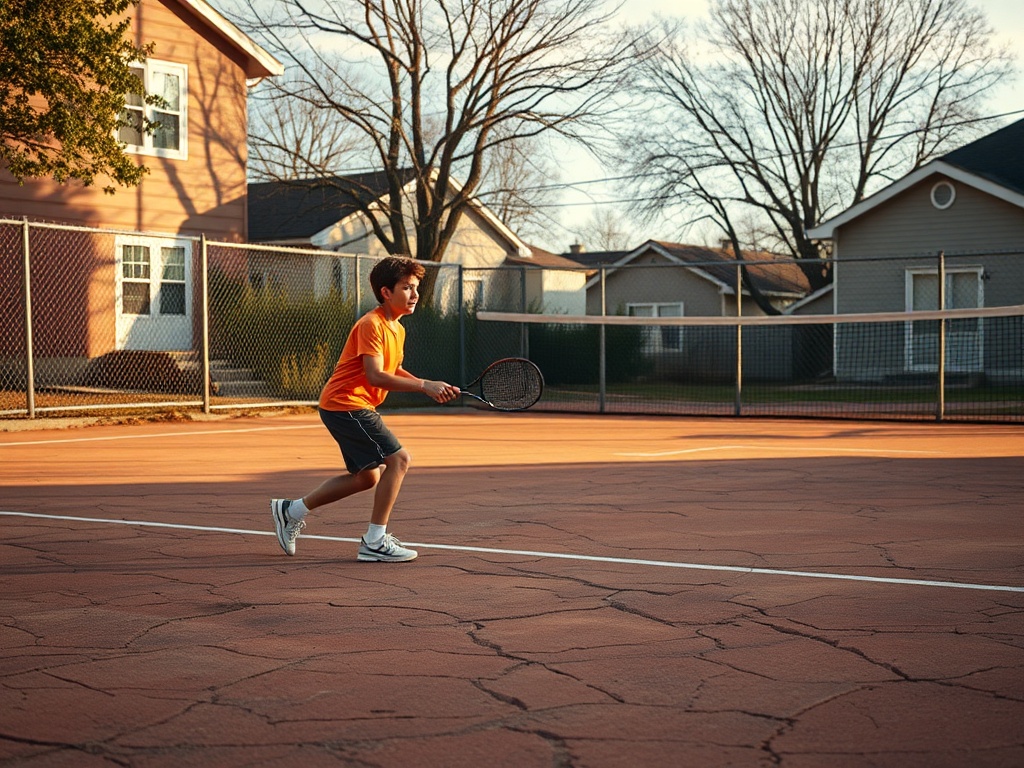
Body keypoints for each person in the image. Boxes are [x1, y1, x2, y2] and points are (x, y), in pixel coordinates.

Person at [271, 255, 459, 561]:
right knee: (399, 460)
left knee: (367, 477)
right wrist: (425, 385)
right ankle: (375, 542)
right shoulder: (371, 324)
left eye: (416, 288)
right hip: (346, 404)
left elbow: (393, 370)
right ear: (386, 292)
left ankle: (291, 511)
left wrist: (428, 386)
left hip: (348, 405)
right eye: (407, 288)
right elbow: (375, 375)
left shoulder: (396, 328)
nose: (415, 295)